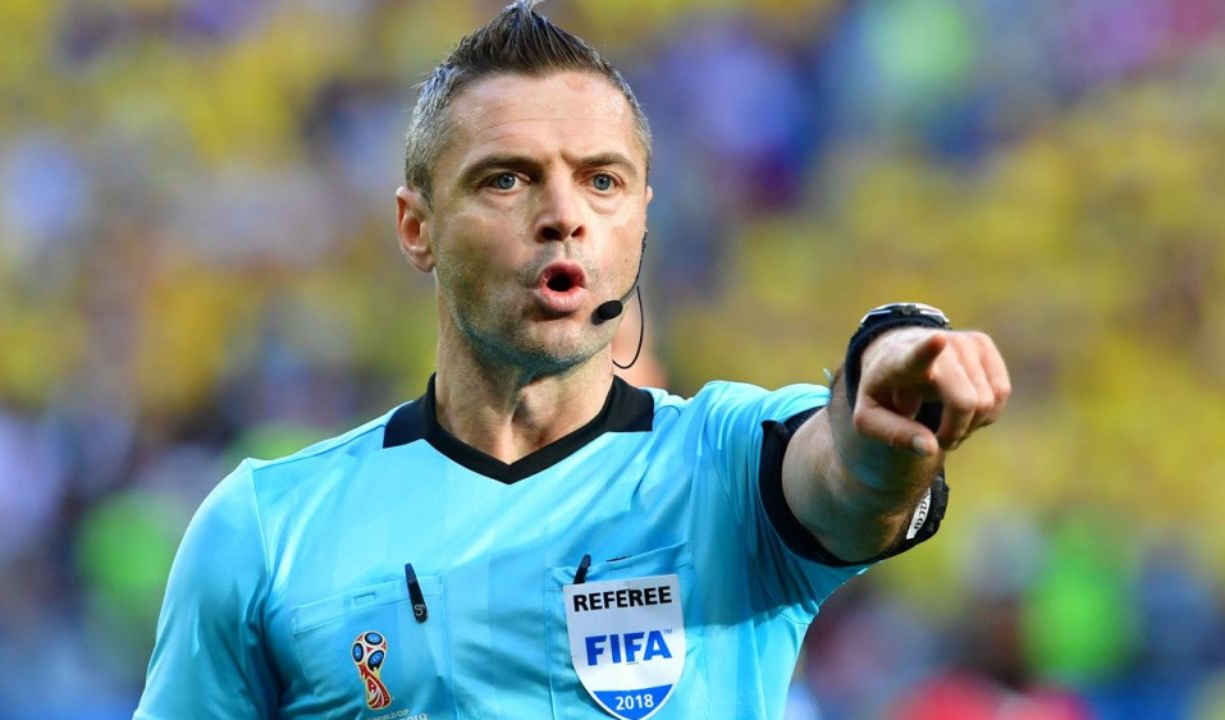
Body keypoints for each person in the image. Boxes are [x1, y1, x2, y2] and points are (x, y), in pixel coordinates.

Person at [135, 2, 1011, 718]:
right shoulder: (265, 529)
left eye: (602, 180)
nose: (565, 215)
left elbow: (846, 478)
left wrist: (890, 372)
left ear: (642, 219)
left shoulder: (723, 467)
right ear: (417, 227)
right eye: (506, 179)